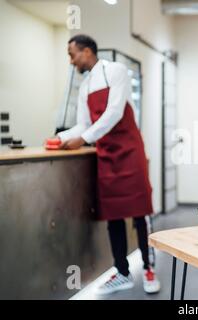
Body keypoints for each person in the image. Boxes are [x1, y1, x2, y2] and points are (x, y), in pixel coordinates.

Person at [55, 34, 160, 295]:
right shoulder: (84, 87)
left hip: (129, 151)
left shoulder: (116, 71)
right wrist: (60, 138)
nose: (71, 61)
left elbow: (114, 112)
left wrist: (84, 138)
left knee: (140, 212)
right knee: (113, 215)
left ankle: (148, 268)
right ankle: (122, 271)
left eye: (73, 54)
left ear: (87, 50)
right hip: (107, 155)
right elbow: (84, 124)